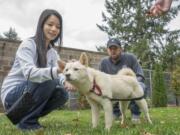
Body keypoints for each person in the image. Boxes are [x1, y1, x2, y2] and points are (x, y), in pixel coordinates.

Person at [0, 9, 75, 130]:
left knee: (62, 94)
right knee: (49, 79)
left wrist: (66, 81)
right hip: (12, 95)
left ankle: (25, 118)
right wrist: (58, 71)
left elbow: (59, 74)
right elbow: (30, 73)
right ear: (41, 25)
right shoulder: (28, 45)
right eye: (50, 24)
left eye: (58, 26)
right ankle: (27, 123)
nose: (54, 29)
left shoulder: (53, 53)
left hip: (28, 94)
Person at [99, 38, 146, 123]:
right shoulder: (103, 62)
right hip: (113, 89)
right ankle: (116, 113)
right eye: (110, 49)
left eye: (115, 48)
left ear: (120, 49)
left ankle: (135, 114)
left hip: (130, 86)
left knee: (141, 86)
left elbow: (140, 75)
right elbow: (100, 80)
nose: (113, 51)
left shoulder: (130, 57)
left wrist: (133, 84)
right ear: (107, 50)